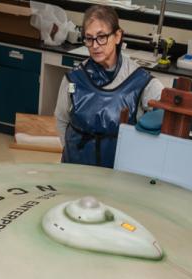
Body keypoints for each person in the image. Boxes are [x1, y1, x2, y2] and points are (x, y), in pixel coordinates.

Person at [55, 5, 164, 168]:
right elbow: (61, 119)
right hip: (75, 169)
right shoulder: (73, 79)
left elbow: (167, 116)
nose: (95, 45)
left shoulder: (142, 82)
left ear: (117, 36)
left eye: (101, 37)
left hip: (118, 176)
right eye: (89, 38)